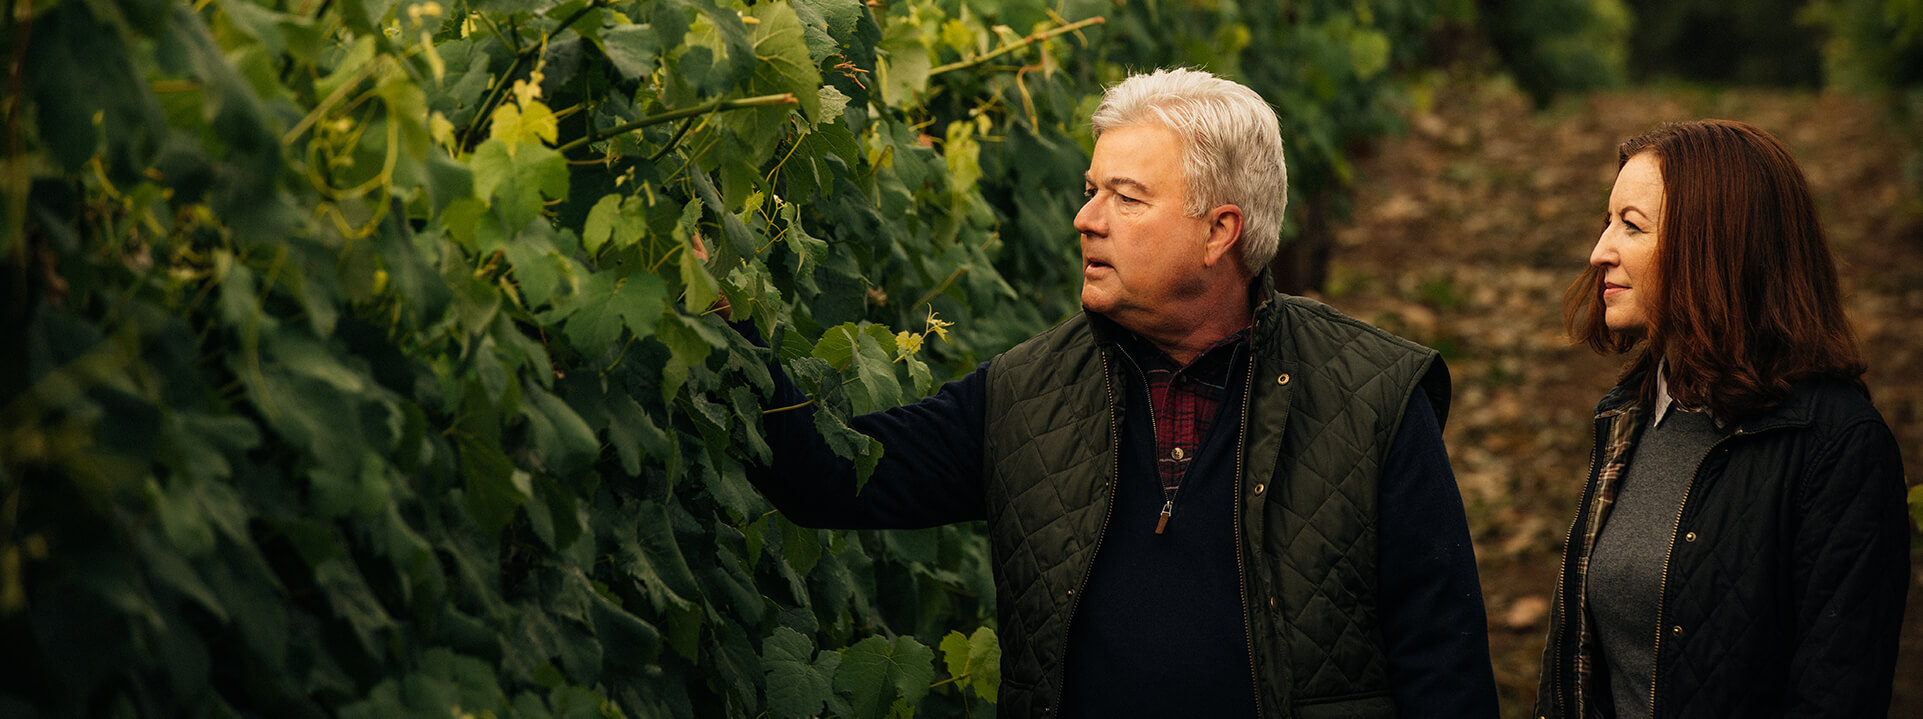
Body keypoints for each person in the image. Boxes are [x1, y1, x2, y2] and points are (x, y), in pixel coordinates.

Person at [747, 68, 1498, 718]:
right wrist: (731, 325)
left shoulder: (1373, 396)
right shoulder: (1026, 390)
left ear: (1219, 231)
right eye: (1089, 191)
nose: (1085, 219)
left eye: (1126, 198)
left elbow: (1444, 666)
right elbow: (826, 477)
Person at [1534, 119, 1911, 718]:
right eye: (1606, 223)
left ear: (1715, 247)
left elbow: (1837, 692)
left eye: (1631, 226)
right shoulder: (1629, 416)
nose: (1599, 251)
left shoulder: (1837, 448)